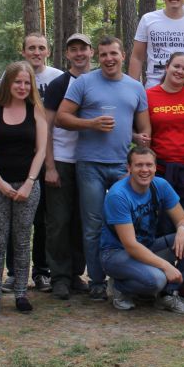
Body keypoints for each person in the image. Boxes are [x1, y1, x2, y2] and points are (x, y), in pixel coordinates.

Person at [56, 37, 151, 301]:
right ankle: (96, 282)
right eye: (104, 54)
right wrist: (91, 124)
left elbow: (145, 129)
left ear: (123, 55)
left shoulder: (135, 87)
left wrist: (138, 144)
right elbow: (61, 118)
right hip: (90, 164)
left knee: (127, 225)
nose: (109, 59)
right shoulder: (84, 82)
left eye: (113, 54)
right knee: (93, 226)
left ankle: (123, 278)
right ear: (98, 57)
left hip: (123, 166)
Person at [100, 146, 184, 313]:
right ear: (129, 168)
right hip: (116, 253)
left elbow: (183, 219)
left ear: (155, 167)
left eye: (149, 165)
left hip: (148, 245)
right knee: (157, 279)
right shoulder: (118, 195)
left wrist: (182, 229)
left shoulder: (160, 185)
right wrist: (166, 266)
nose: (145, 170)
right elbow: (130, 245)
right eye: (139, 165)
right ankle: (120, 286)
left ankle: (168, 294)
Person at [0, 61, 50, 315]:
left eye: (26, 82)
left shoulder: (36, 111)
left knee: (22, 240)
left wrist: (30, 182)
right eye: (17, 82)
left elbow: (41, 150)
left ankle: (21, 293)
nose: (22, 87)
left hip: (27, 185)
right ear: (8, 83)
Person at [40, 33, 94, 300]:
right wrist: (49, 166)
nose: (79, 54)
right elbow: (47, 127)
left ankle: (75, 273)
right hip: (61, 160)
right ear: (67, 54)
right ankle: (59, 276)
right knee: (59, 221)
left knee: (81, 221)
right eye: (73, 49)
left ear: (91, 52)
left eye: (83, 49)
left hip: (89, 161)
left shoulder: (98, 81)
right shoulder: (58, 84)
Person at [15, 33, 63, 292]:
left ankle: (42, 271)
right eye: (31, 48)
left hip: (48, 155)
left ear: (48, 51)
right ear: (23, 51)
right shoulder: (13, 76)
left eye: (41, 48)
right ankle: (14, 272)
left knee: (44, 219)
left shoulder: (57, 78)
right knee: (15, 217)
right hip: (18, 153)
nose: (36, 52)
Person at [146, 53, 184, 234]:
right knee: (163, 230)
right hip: (160, 172)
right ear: (167, 67)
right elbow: (137, 129)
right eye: (176, 66)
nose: (180, 71)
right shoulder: (148, 95)